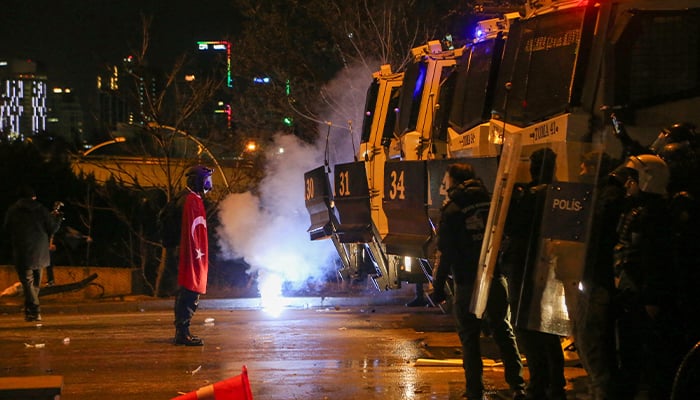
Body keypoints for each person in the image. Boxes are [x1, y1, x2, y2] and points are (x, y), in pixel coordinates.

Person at [432, 163, 526, 400]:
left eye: (446, 180)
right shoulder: (493, 202)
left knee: (469, 337)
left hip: (466, 280)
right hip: (494, 275)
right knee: (503, 330)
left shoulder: (452, 210)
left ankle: (475, 390)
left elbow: (446, 252)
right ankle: (518, 385)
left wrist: (438, 286)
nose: (444, 186)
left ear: (454, 180)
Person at [500, 148, 567, 400]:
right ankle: (556, 384)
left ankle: (538, 384)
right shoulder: (562, 194)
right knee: (549, 329)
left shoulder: (527, 196)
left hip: (525, 266)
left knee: (527, 328)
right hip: (553, 268)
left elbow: (510, 227)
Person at [611, 154, 677, 399]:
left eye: (633, 179)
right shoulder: (638, 210)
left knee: (646, 360)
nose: (628, 184)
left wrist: (651, 297)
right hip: (630, 292)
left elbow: (655, 259)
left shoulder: (656, 214)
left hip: (641, 296)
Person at [572, 151, 625, 400]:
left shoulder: (606, 197)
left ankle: (601, 391)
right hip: (591, 276)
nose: (581, 172)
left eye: (584, 167)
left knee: (593, 340)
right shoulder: (598, 196)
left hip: (596, 278)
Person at [2, 186, 62, 322]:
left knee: (28, 282)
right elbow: (52, 228)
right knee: (35, 283)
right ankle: (34, 311)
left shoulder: (13, 210)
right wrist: (58, 219)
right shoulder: (41, 210)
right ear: (33, 197)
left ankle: (32, 311)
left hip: (22, 250)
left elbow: (6, 229)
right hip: (40, 251)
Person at [173, 165, 213, 346]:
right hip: (190, 255)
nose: (209, 185)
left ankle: (183, 331)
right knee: (188, 291)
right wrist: (196, 256)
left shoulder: (190, 198)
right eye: (206, 180)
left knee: (188, 291)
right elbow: (190, 231)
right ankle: (182, 333)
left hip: (191, 254)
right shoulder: (189, 200)